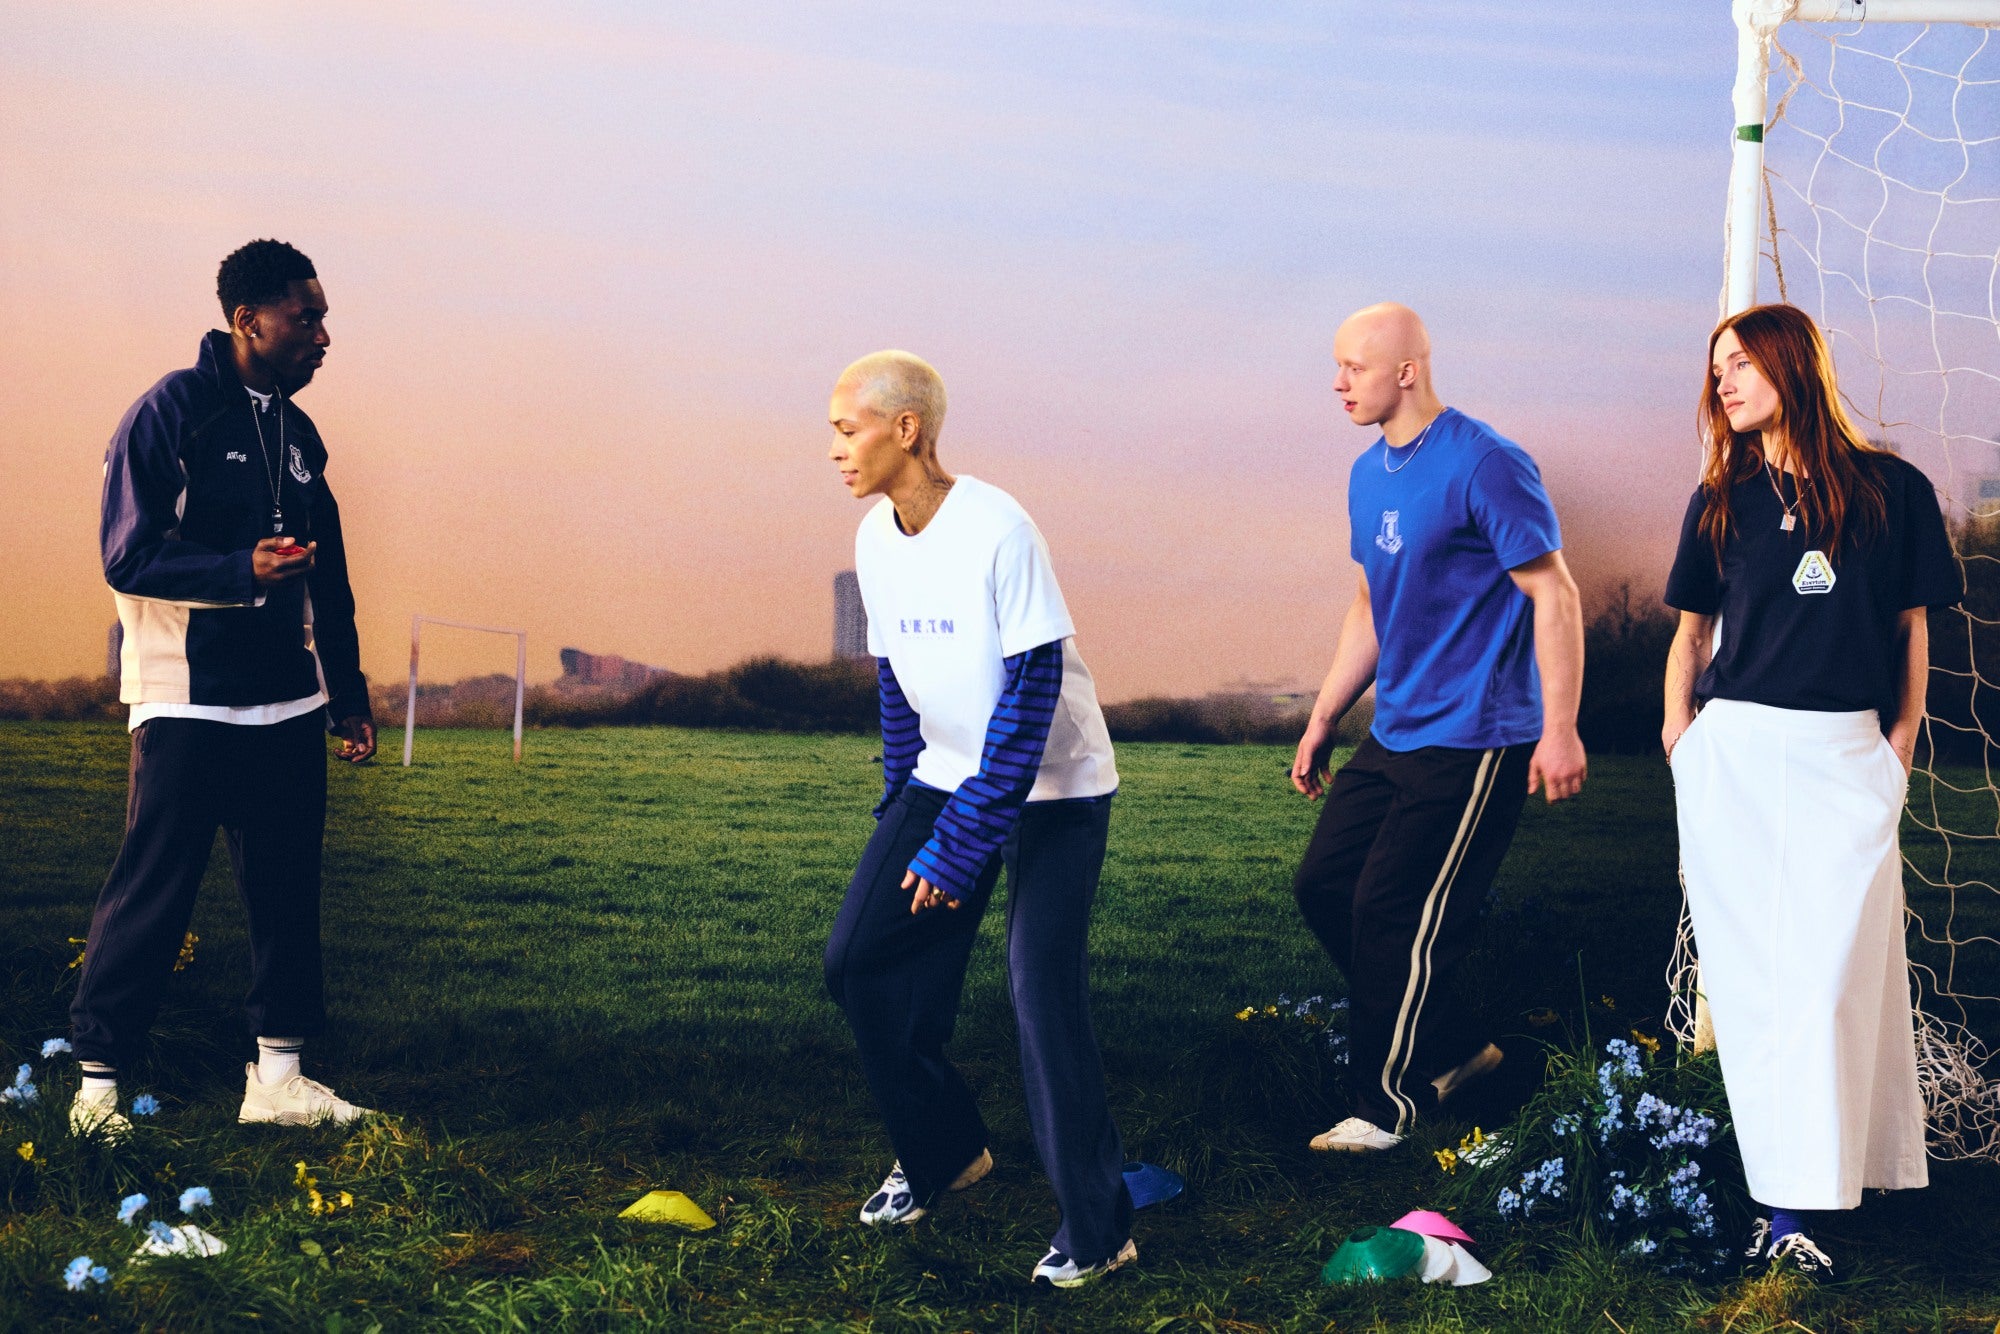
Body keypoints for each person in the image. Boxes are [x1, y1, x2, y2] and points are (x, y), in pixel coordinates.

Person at [821, 350, 1134, 1288]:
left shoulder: (999, 528)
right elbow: (896, 686)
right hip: (945, 775)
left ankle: (1099, 1230)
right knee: (858, 961)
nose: (835, 450)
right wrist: (903, 811)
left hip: (1058, 788)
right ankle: (945, 1151)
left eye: (847, 430)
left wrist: (960, 845)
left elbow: (1031, 695)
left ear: (905, 429)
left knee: (1039, 993)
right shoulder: (874, 540)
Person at [1663, 303, 1959, 1277]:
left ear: (1791, 364)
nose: (1723, 382)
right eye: (1716, 368)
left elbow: (1911, 624)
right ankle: (1782, 1210)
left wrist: (1899, 743)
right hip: (1736, 758)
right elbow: (1690, 634)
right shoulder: (1720, 499)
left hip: (1845, 757)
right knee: (1758, 989)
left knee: (1832, 979)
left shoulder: (1892, 490)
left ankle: (1841, 1172)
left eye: (1740, 363)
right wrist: (1680, 739)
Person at [69, 239, 378, 1138]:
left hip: (287, 701)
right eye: (306, 317)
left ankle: (278, 1080)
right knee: (153, 891)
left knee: (286, 893)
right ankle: (97, 1092)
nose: (323, 335)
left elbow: (331, 579)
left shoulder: (300, 434)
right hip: (187, 697)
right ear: (248, 320)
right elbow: (126, 556)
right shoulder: (172, 411)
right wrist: (242, 570)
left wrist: (348, 695)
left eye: (324, 318)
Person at [1289, 303, 1587, 1153]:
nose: (1338, 383)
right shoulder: (1367, 473)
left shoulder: (1486, 463)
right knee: (1325, 887)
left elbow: (1554, 592)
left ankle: (1385, 1109)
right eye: (1338, 366)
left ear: (1407, 372)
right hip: (1398, 728)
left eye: (1354, 367)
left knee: (1391, 909)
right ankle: (1455, 1050)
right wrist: (1324, 717)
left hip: (1477, 734)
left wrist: (1560, 728)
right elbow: (1370, 605)